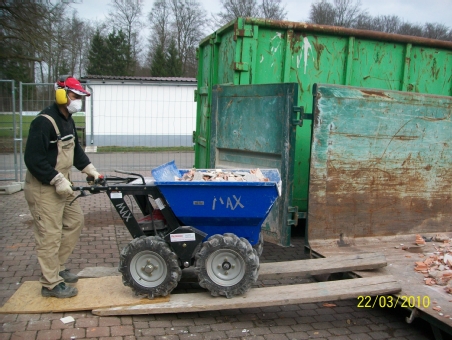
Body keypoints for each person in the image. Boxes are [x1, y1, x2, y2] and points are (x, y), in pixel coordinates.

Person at [24, 76, 102, 298]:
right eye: (74, 96)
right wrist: (56, 179)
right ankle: (50, 284)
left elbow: (74, 150)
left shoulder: (67, 119)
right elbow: (33, 159)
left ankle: (56, 267)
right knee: (49, 234)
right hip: (44, 186)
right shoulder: (43, 122)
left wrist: (90, 169)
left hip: (62, 183)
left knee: (75, 221)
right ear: (61, 94)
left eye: (80, 97)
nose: (78, 100)